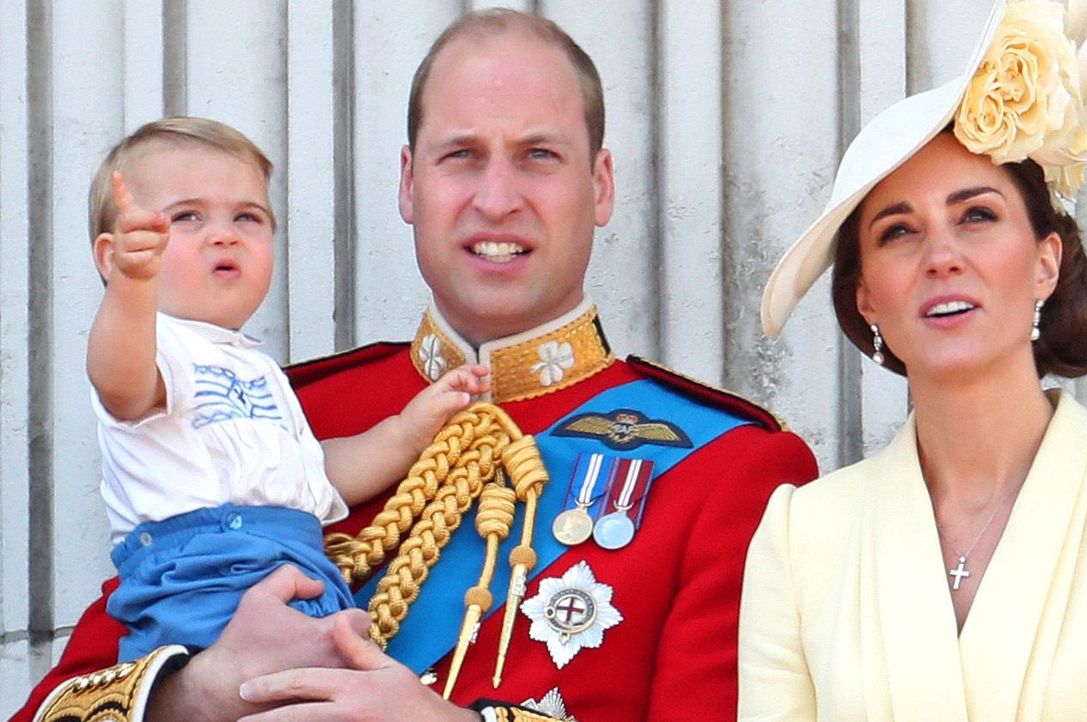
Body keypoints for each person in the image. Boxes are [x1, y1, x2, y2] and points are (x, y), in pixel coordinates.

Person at [16, 10, 817, 722]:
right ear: (409, 184)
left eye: (539, 155)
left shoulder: (729, 468)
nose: (496, 198)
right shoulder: (279, 416)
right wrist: (196, 695)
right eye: (461, 155)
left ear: (599, 186)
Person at [740, 1, 1087, 720]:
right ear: (866, 295)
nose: (942, 258)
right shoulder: (802, 537)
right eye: (899, 231)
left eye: (977, 216)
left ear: (1046, 262)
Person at [84, 117, 488, 663]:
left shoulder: (260, 368)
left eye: (247, 217)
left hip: (301, 569)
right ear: (112, 257)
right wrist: (132, 287)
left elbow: (313, 476)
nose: (224, 234)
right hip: (203, 578)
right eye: (186, 217)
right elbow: (119, 382)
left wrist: (405, 433)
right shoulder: (154, 344)